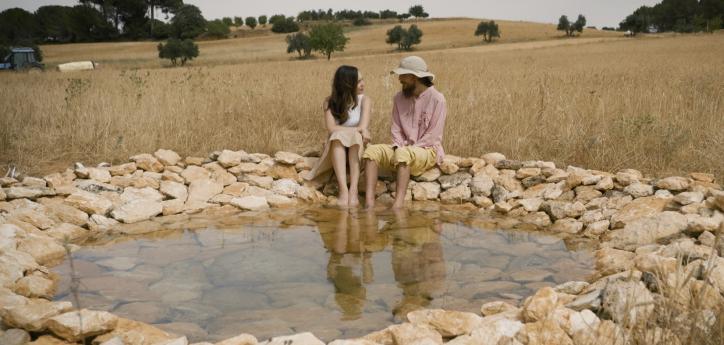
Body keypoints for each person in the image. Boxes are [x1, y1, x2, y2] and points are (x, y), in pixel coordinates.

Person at [362, 56, 447, 209]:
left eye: (403, 76)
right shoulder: (398, 98)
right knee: (371, 151)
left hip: (427, 151)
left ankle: (398, 205)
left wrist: (406, 150)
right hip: (401, 148)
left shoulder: (437, 99)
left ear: (414, 77)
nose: (399, 79)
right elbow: (395, 128)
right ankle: (369, 203)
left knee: (403, 154)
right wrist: (398, 146)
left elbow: (432, 136)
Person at [305, 65, 372, 207]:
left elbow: (362, 126)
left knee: (352, 137)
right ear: (347, 84)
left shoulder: (365, 100)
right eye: (358, 81)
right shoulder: (329, 102)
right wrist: (357, 130)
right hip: (336, 145)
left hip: (357, 144)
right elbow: (331, 128)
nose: (363, 84)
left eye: (362, 80)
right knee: (337, 137)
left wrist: (360, 131)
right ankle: (343, 190)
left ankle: (353, 190)